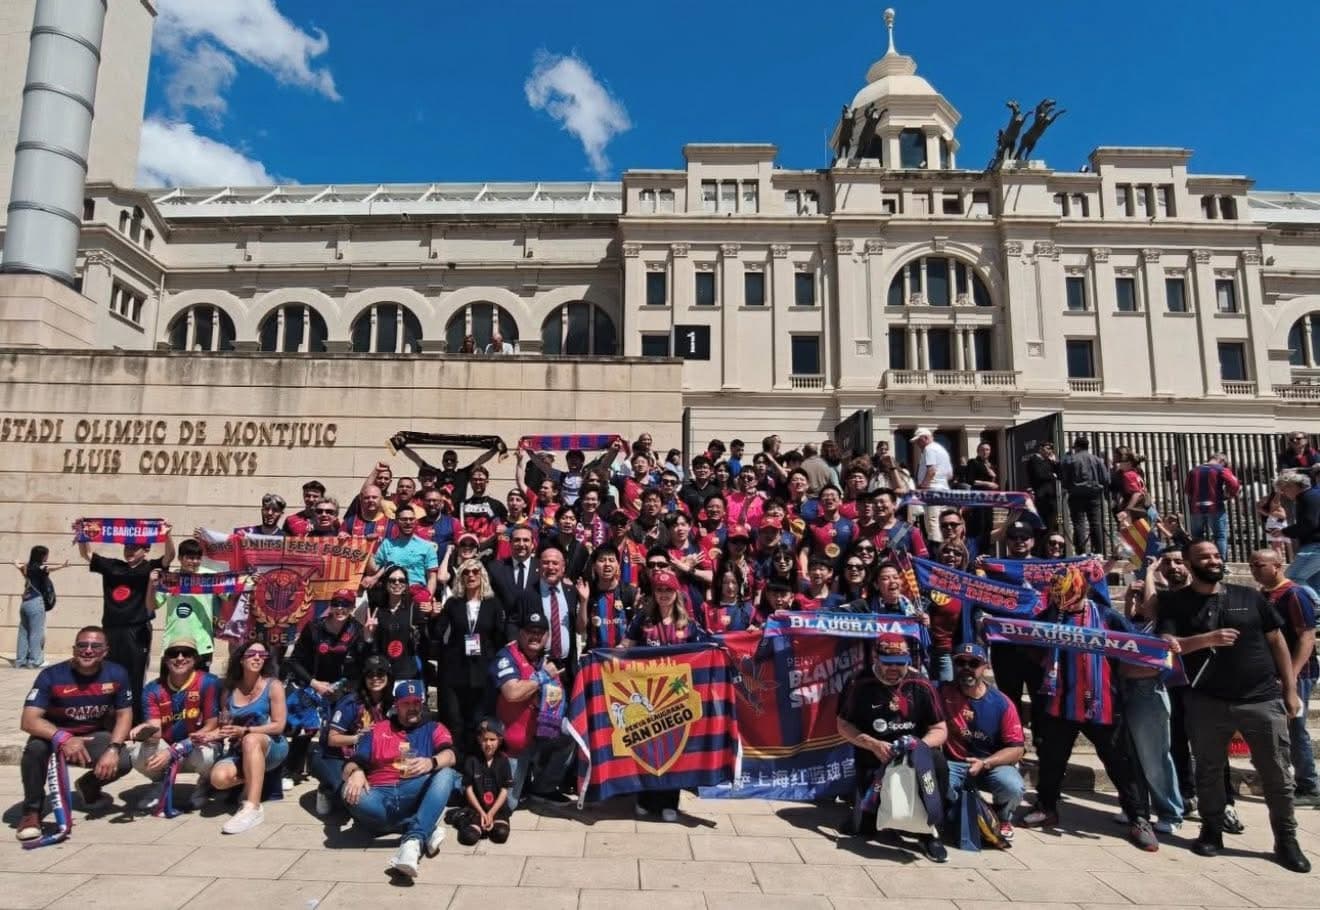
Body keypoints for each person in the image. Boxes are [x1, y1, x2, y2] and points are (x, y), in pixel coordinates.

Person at [1156, 539, 1309, 872]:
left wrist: (1291, 688)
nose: (1213, 560)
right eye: (1204, 557)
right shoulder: (1174, 603)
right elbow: (1167, 644)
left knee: (1277, 774)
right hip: (1207, 700)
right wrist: (1205, 640)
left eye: (1215, 555)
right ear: (1189, 562)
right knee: (1209, 770)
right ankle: (1211, 830)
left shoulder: (1249, 596)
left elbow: (1277, 640)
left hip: (1260, 697)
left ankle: (1286, 839)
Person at [1021, 567, 1156, 852]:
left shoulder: (1107, 616)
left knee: (1121, 762)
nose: (1061, 599)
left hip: (1103, 702)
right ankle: (1047, 807)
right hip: (1061, 702)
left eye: (1066, 592)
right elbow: (1030, 645)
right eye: (1056, 594)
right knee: (1052, 759)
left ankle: (1139, 818)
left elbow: (1134, 645)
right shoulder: (1049, 617)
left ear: (1081, 589)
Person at [836, 632, 949, 862]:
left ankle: (930, 832)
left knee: (937, 762)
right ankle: (870, 812)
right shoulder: (858, 682)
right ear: (875, 658)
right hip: (874, 757)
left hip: (915, 759)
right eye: (888, 664)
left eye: (901, 664)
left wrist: (917, 746)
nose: (894, 670)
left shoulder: (921, 684)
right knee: (862, 828)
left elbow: (940, 729)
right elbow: (843, 724)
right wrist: (871, 743)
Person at [16, 626, 132, 841]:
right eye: (82, 645)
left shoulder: (117, 674)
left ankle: (89, 786)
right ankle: (31, 812)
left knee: (123, 760)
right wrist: (64, 738)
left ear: (105, 651)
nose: (88, 650)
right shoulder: (51, 676)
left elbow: (125, 715)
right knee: (34, 750)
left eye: (95, 646)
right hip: (53, 737)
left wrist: (114, 748)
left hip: (91, 736)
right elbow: (29, 720)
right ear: (74, 649)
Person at [340, 678, 460, 879]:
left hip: (413, 789)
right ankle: (423, 825)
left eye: (416, 703)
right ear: (397, 705)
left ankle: (412, 841)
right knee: (349, 793)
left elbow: (451, 756)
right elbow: (350, 764)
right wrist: (356, 772)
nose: (412, 708)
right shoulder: (378, 729)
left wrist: (432, 762)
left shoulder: (434, 728)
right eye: (406, 703)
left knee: (446, 774)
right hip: (379, 793)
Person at [75, 520, 175, 724]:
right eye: (127, 547)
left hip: (137, 630)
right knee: (108, 674)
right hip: (111, 629)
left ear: (145, 550)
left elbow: (169, 556)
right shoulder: (112, 566)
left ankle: (135, 720)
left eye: (134, 548)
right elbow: (87, 554)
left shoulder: (151, 567)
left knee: (134, 676)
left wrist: (167, 535)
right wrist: (82, 534)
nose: (129, 551)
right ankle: (109, 718)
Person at [622, 568, 701, 820]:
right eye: (659, 589)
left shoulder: (687, 623)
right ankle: (645, 798)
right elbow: (625, 648)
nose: (664, 594)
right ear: (653, 593)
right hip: (647, 697)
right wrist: (602, 657)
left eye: (669, 589)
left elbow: (702, 654)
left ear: (676, 592)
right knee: (647, 748)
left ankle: (670, 802)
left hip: (677, 698)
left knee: (673, 750)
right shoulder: (642, 620)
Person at [1247, 548, 1319, 806]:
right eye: (1252, 565)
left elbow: (1307, 637)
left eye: (1260, 565)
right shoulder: (1263, 595)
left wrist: (1293, 675)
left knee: (1295, 728)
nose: (1255, 569)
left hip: (1298, 674)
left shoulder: (1295, 594)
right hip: (1270, 673)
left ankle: (1309, 785)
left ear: (1277, 565)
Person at [939, 643, 1026, 842]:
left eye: (974, 663)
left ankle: (1002, 818)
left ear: (985, 666)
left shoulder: (1002, 703)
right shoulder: (942, 692)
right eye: (961, 662)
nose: (967, 667)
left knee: (1012, 787)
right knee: (937, 785)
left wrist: (986, 763)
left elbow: (1017, 748)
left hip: (990, 763)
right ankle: (964, 814)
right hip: (953, 762)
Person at [127, 636, 222, 812]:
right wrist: (145, 729)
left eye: (186, 653)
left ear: (195, 659)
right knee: (137, 756)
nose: (179, 658)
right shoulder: (153, 688)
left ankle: (205, 784)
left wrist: (177, 748)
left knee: (209, 754)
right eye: (173, 654)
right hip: (166, 746)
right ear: (165, 660)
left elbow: (211, 725)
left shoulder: (209, 682)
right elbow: (155, 731)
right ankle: (160, 783)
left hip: (195, 744)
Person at [491, 611, 574, 808]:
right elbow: (512, 693)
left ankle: (543, 788)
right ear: (520, 633)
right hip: (514, 742)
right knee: (508, 806)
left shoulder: (545, 659)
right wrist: (542, 677)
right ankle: (460, 783)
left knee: (571, 732)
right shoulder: (506, 656)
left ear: (546, 636)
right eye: (530, 631)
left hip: (539, 733)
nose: (535, 636)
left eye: (540, 632)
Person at [209, 640, 289, 835]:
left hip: (271, 746)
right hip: (239, 750)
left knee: (251, 740)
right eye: (252, 653)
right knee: (218, 779)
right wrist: (210, 734)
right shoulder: (229, 689)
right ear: (241, 659)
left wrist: (246, 731)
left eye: (262, 655)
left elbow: (279, 725)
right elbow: (225, 723)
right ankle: (254, 779)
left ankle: (252, 807)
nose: (257, 658)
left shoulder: (273, 685)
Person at [433, 558, 505, 753]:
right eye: (466, 572)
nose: (471, 575)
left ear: (482, 576)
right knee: (455, 722)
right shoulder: (453, 603)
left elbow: (499, 638)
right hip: (455, 672)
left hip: (483, 672)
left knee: (478, 722)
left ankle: (476, 767)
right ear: (460, 577)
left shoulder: (493, 604)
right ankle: (456, 764)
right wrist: (434, 616)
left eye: (475, 571)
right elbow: (438, 634)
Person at [309, 655, 393, 816]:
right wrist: (358, 738)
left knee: (370, 792)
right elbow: (332, 739)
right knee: (347, 796)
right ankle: (326, 790)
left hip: (368, 757)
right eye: (370, 674)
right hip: (334, 755)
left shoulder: (392, 703)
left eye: (381, 673)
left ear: (388, 677)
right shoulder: (351, 702)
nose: (375, 678)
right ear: (364, 678)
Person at [150, 538, 219, 671]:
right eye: (190, 558)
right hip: (173, 643)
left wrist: (245, 582)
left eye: (197, 558)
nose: (194, 562)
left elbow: (229, 596)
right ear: (180, 558)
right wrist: (151, 586)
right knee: (170, 688)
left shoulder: (211, 577)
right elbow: (153, 605)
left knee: (199, 689)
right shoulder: (169, 579)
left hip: (202, 644)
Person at [364, 565, 431, 681]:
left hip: (408, 672)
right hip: (382, 674)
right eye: (392, 580)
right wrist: (368, 636)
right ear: (385, 583)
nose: (397, 583)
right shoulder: (376, 610)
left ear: (406, 584)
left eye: (401, 580)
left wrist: (433, 615)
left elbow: (426, 640)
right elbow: (369, 646)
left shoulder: (413, 608)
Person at [457, 718, 514, 845]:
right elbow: (469, 789)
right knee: (469, 837)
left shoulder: (504, 761)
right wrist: (483, 813)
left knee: (501, 834)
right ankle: (462, 818)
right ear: (479, 739)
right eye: (484, 739)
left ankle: (488, 824)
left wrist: (491, 813)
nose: (488, 744)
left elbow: (505, 790)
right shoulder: (471, 760)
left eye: (492, 739)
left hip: (497, 808)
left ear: (500, 740)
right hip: (477, 807)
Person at [365, 504, 440, 597]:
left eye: (411, 519)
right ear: (396, 521)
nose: (408, 522)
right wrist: (368, 546)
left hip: (416, 595)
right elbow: (373, 570)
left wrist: (427, 599)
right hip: (391, 595)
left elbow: (432, 578)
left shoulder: (427, 547)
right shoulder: (387, 544)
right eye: (404, 519)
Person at [14, 545, 66, 669]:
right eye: (46, 554)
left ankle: (20, 661)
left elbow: (19, 566)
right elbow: (48, 569)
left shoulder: (27, 567)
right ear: (42, 555)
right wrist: (62, 566)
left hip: (25, 603)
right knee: (36, 633)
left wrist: (16, 563)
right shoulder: (40, 567)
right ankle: (35, 660)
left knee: (23, 632)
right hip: (36, 602)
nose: (47, 557)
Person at [1185, 454, 1241, 561]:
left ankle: (1198, 561)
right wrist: (1229, 495)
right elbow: (1234, 484)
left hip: (1196, 508)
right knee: (1219, 536)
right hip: (1215, 507)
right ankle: (1221, 564)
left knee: (1196, 537)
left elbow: (1187, 490)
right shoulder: (1221, 469)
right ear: (1222, 460)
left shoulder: (1194, 471)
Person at [1063, 436, 1109, 555]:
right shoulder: (1097, 460)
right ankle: (1099, 551)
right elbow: (1105, 478)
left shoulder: (1071, 459)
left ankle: (1080, 551)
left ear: (1077, 446)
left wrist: (1069, 487)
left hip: (1076, 494)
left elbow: (1064, 479)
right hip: (1094, 494)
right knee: (1096, 523)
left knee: (1079, 523)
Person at [1278, 471, 1320, 591]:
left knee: (1292, 577)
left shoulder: (1307, 497)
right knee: (1313, 583)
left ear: (1293, 485)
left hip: (1315, 545)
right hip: (1315, 545)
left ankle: (1316, 606)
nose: (1283, 493)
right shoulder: (1312, 495)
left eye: (1284, 489)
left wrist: (1284, 532)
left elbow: (1309, 523)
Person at [911, 428, 953, 545]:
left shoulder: (929, 449)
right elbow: (950, 475)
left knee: (932, 523)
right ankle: (947, 546)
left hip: (932, 490)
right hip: (944, 489)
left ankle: (936, 552)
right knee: (943, 522)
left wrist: (923, 487)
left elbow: (932, 470)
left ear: (925, 438)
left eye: (918, 441)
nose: (917, 444)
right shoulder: (942, 450)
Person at [1022, 440, 1061, 534]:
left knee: (1052, 522)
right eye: (1048, 448)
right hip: (1041, 496)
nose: (1050, 451)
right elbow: (1039, 475)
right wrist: (1052, 475)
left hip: (1051, 496)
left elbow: (1060, 473)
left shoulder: (1048, 461)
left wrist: (1055, 462)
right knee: (1043, 523)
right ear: (1040, 449)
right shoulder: (1034, 459)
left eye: (1051, 449)